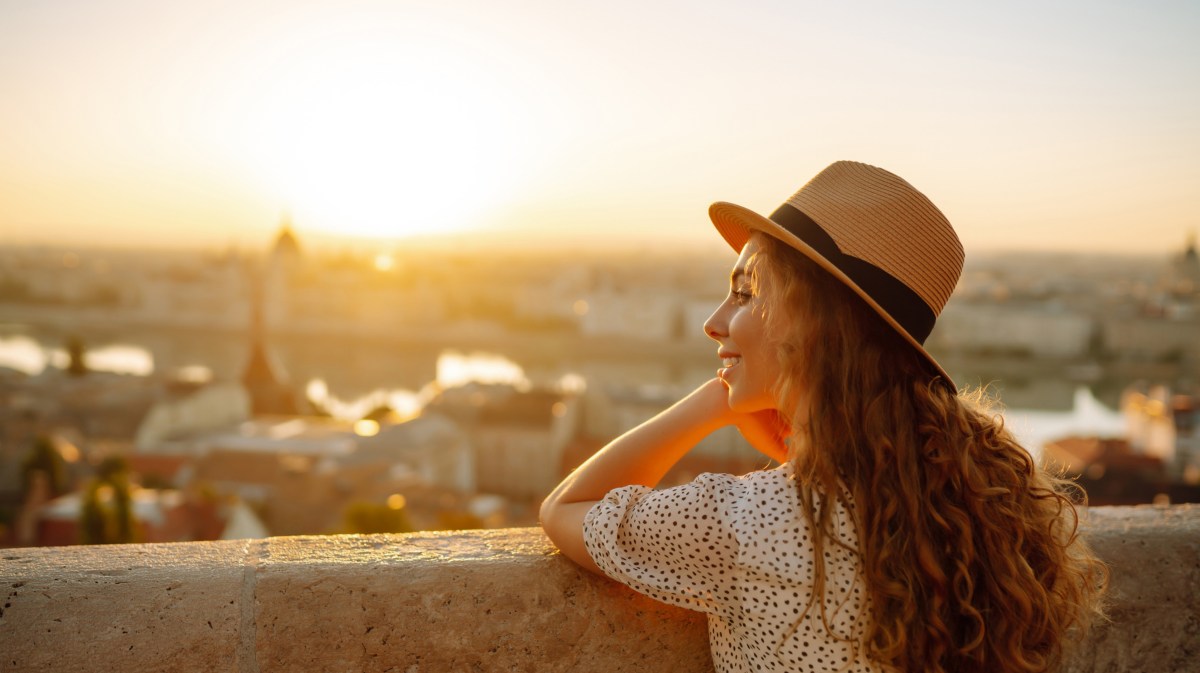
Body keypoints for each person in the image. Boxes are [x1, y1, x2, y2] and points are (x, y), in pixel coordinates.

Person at [540, 161, 1106, 673]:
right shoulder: (981, 498)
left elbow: (565, 509)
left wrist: (712, 402)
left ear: (813, 323)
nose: (714, 323)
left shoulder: (751, 522)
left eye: (744, 292)